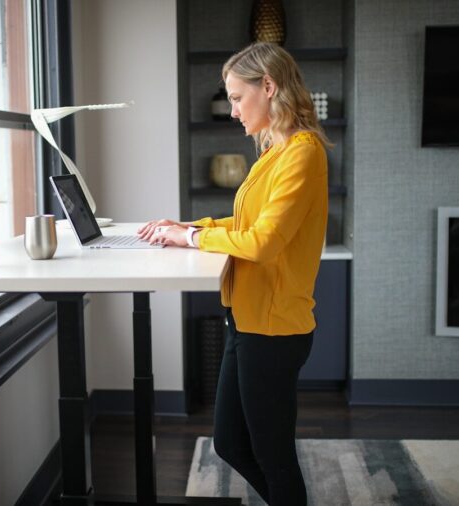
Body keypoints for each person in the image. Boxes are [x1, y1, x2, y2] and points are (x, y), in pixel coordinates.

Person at [138, 42, 329, 505]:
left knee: (273, 454)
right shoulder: (275, 152)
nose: (232, 111)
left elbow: (263, 242)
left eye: (238, 97)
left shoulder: (302, 154)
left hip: (273, 328)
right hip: (244, 320)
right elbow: (248, 223)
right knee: (230, 442)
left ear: (269, 86)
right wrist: (189, 227)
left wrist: (191, 240)